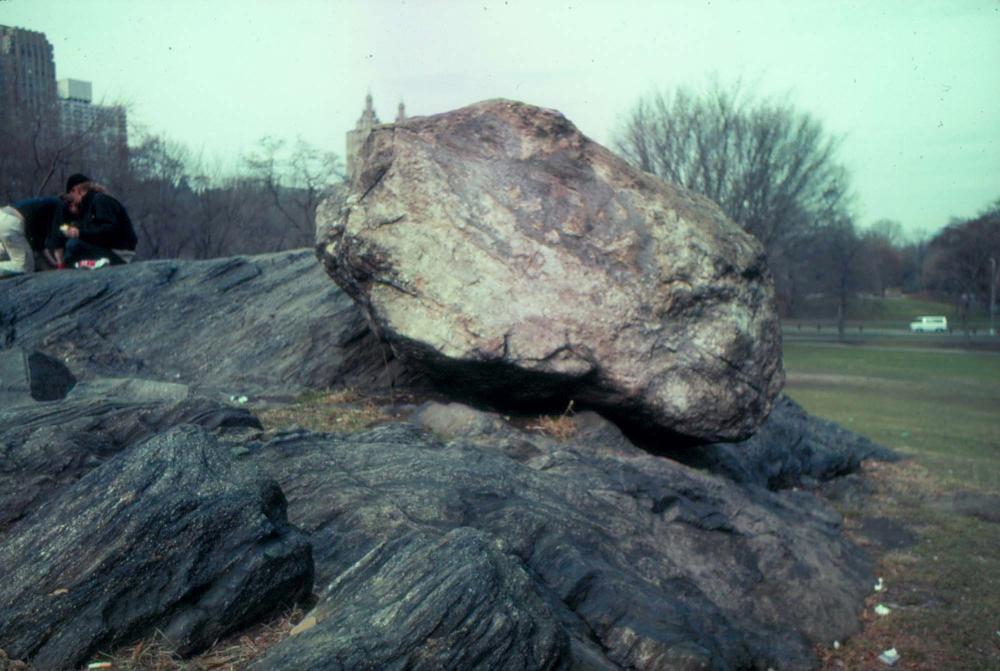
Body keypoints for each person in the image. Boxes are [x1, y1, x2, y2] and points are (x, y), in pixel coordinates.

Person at [49, 173, 137, 267]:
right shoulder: (87, 206)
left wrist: (80, 233)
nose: (72, 199)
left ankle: (93, 263)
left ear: (76, 190)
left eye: (71, 194)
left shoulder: (100, 200)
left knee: (73, 245)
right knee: (71, 246)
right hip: (108, 250)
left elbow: (109, 231)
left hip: (118, 253)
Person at [0, 196, 67, 275]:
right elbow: (56, 241)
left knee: (6, 249)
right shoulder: (59, 205)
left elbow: (39, 246)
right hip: (11, 222)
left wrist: (54, 263)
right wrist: (61, 265)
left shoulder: (43, 208)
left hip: (3, 216)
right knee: (24, 266)